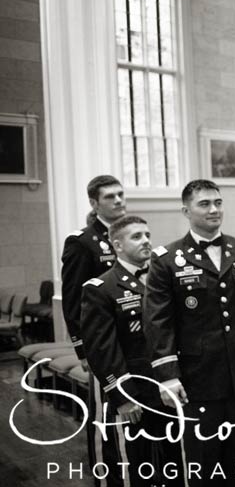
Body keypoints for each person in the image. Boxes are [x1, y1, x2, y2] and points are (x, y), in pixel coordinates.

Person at [143, 179, 235, 486]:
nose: (214, 209)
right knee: (204, 461)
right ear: (186, 211)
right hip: (196, 377)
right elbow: (157, 322)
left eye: (218, 202)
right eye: (204, 204)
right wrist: (167, 375)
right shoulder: (166, 259)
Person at [80, 215, 184, 486]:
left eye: (147, 234)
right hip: (133, 391)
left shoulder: (164, 278)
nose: (146, 241)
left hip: (166, 386)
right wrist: (122, 396)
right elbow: (102, 350)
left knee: (173, 459)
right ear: (117, 245)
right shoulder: (101, 288)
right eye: (136, 236)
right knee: (132, 464)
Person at [61, 174, 127, 486]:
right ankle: (104, 476)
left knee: (130, 417)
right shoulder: (82, 242)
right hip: (102, 346)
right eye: (110, 197)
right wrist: (82, 349)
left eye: (120, 195)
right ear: (94, 203)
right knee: (106, 416)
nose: (118, 201)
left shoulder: (129, 236)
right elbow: (74, 302)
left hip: (133, 344)